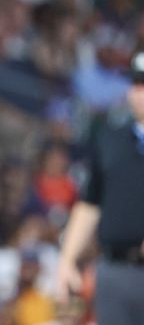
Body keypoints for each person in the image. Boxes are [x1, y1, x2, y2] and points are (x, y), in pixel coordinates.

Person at [55, 49, 144, 324]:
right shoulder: (110, 137)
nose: (140, 92)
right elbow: (89, 203)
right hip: (115, 270)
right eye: (136, 84)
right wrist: (68, 259)